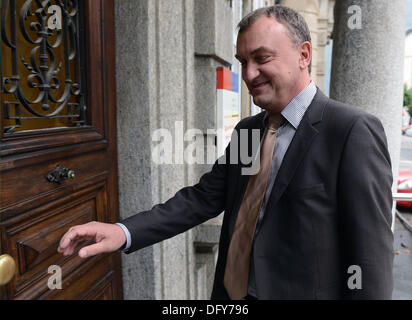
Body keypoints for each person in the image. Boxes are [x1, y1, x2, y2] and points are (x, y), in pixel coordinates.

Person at [58, 5, 394, 300]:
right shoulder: (249, 130)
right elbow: (202, 198)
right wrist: (123, 232)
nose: (248, 74)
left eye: (261, 58)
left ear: (304, 55)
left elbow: (370, 260)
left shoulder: (351, 131)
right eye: (243, 61)